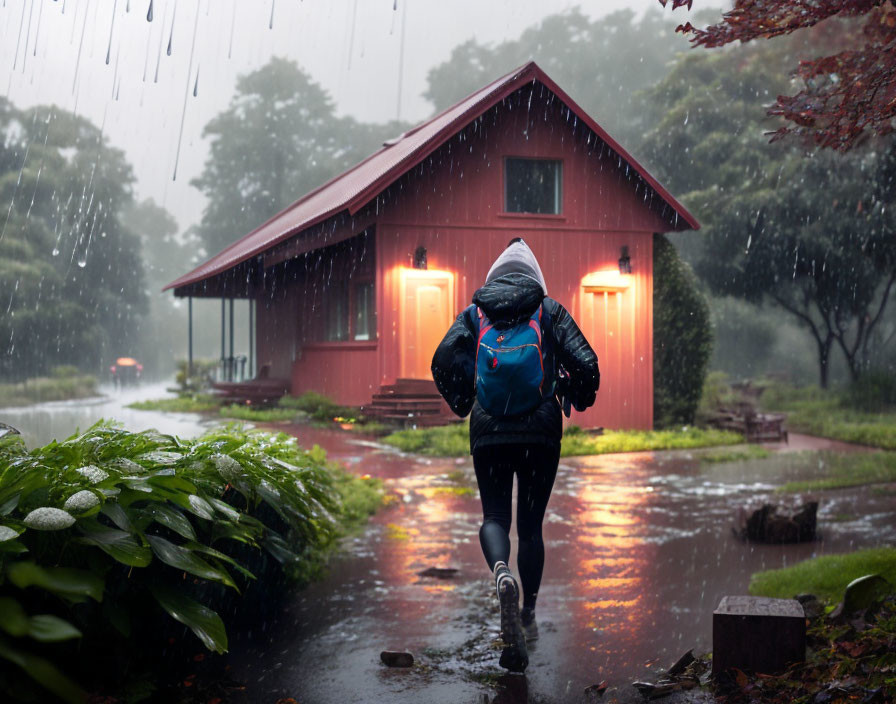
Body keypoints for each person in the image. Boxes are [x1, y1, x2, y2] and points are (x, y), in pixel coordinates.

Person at [431, 238, 600, 673]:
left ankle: (501, 573)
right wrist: (577, 396)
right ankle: (527, 612)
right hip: (541, 429)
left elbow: (441, 359)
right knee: (531, 528)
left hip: (488, 430)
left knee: (494, 519)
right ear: (534, 276)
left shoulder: (475, 313)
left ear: (494, 276)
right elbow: (588, 364)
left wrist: (464, 399)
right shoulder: (548, 310)